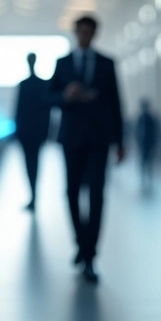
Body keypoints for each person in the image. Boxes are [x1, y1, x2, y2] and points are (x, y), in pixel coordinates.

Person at [50, 15, 125, 284]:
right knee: (71, 192)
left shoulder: (107, 63)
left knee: (96, 196)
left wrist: (120, 141)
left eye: (89, 32)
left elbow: (116, 103)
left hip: (98, 139)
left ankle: (90, 255)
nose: (85, 36)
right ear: (76, 33)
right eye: (81, 32)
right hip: (71, 138)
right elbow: (49, 96)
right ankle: (81, 243)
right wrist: (65, 96)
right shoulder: (62, 63)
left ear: (95, 34)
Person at [14, 53, 51, 211]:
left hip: (29, 132)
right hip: (34, 132)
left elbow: (19, 110)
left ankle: (34, 196)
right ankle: (33, 196)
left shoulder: (26, 84)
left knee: (31, 164)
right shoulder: (40, 84)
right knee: (33, 164)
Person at [136, 99, 161, 189]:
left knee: (148, 161)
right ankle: (144, 177)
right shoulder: (141, 118)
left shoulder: (149, 118)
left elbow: (154, 132)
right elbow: (137, 131)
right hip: (143, 144)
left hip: (148, 143)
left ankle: (148, 176)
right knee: (144, 161)